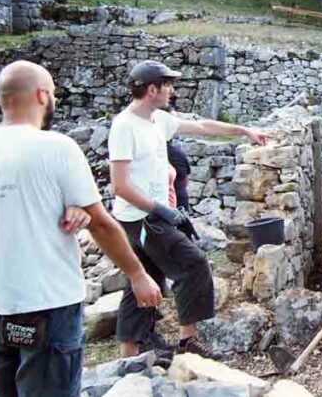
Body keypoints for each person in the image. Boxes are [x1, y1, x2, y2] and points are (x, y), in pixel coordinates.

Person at [0, 61, 162, 397]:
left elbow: (10, 209)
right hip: (47, 305)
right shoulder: (56, 148)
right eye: (54, 93)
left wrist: (67, 206)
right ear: (43, 95)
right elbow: (103, 224)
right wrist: (137, 274)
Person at [108, 60, 269, 358]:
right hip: (141, 218)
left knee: (144, 277)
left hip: (153, 215)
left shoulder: (157, 120)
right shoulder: (124, 126)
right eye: (168, 85)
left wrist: (243, 129)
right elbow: (120, 185)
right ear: (152, 89)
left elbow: (202, 126)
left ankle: (131, 350)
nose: (172, 90)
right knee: (193, 264)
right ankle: (188, 341)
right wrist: (162, 209)